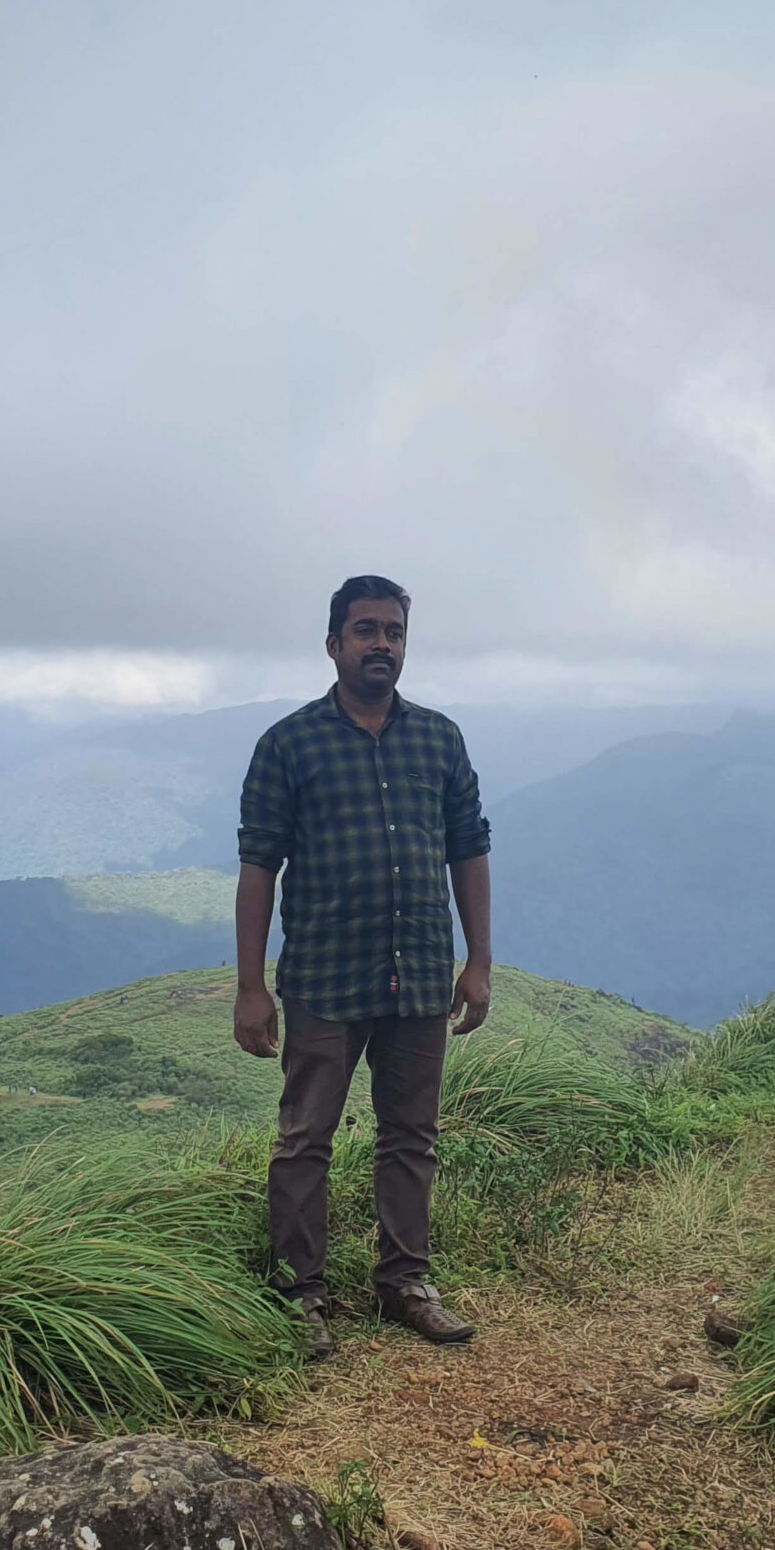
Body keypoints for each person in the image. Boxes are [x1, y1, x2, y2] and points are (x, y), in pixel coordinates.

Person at [234, 574, 492, 1358]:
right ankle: (300, 1294)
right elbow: (258, 867)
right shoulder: (289, 745)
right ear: (334, 644)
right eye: (366, 630)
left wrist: (478, 961)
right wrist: (250, 987)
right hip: (324, 977)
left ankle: (405, 1283)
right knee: (305, 1137)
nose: (382, 644)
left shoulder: (439, 739)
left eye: (394, 632)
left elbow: (469, 849)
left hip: (420, 974)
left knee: (411, 1134)